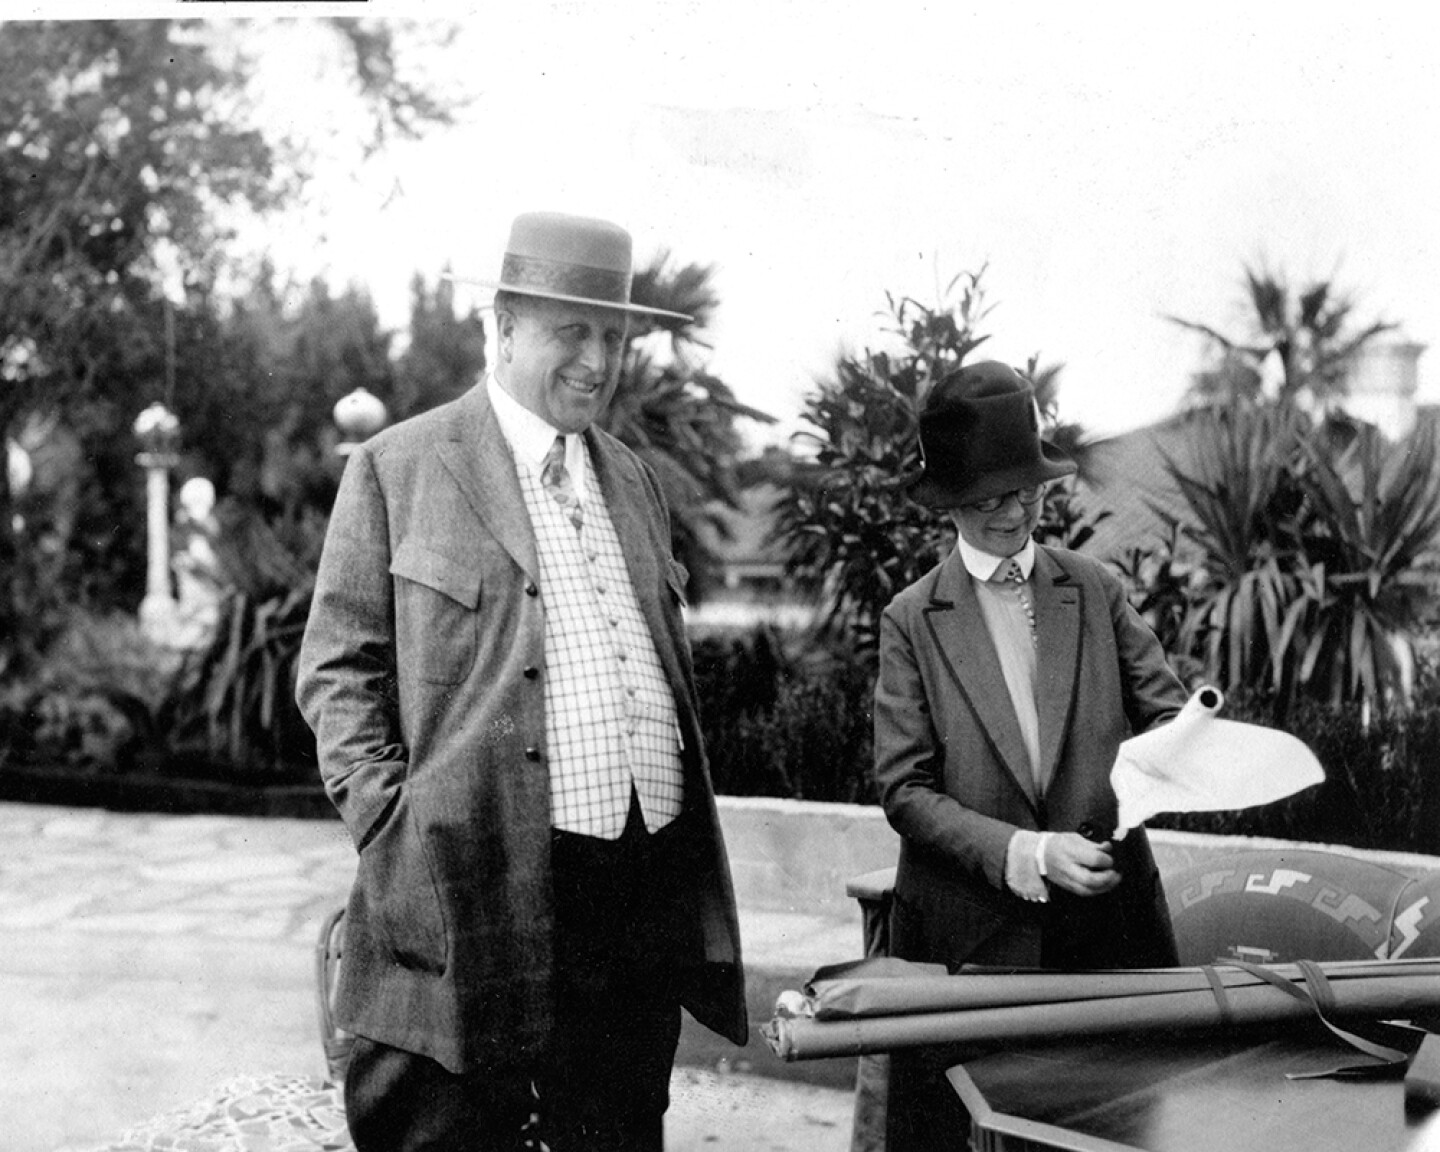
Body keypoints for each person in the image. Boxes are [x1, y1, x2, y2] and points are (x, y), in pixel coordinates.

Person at [296, 211, 747, 1152]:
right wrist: (397, 826)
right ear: (500, 329)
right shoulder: (400, 467)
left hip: (639, 886)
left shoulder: (629, 477)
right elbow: (337, 671)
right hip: (479, 880)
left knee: (619, 1131)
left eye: (613, 337)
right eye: (568, 332)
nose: (596, 360)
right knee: (460, 1132)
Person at [872, 360, 1188, 1152]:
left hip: (1110, 935)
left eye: (1029, 492)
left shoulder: (1094, 588)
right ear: (949, 502)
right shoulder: (913, 619)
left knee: (1114, 1131)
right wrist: (1029, 852)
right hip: (972, 946)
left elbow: (1166, 714)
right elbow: (903, 789)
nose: (1015, 512)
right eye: (990, 499)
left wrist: (1196, 741)